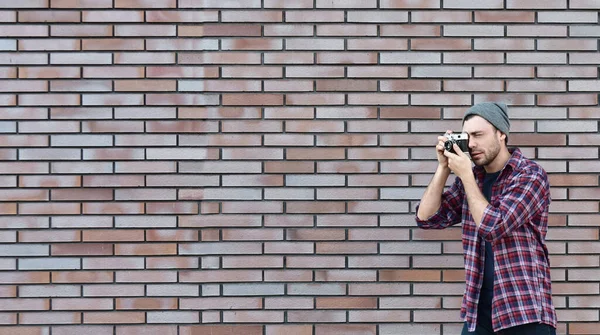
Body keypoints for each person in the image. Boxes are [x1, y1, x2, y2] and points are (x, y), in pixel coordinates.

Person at [414, 102, 557, 335]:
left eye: (478, 135)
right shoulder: (471, 179)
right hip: (478, 315)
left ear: (501, 134)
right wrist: (444, 168)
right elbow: (427, 218)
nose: (471, 144)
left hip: (524, 313)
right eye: (466, 136)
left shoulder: (530, 175)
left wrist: (466, 175)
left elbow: (494, 226)